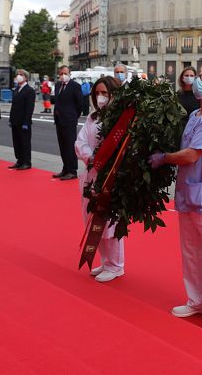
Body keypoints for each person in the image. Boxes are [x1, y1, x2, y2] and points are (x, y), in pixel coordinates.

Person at [148, 64, 202, 332]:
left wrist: (164, 158)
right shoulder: (197, 114)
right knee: (192, 253)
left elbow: (192, 154)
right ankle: (198, 300)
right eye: (199, 76)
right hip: (189, 194)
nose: (198, 80)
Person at [75, 76, 125, 283]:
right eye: (98, 93)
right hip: (92, 173)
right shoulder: (93, 117)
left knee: (110, 221)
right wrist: (90, 156)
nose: (101, 97)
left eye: (105, 93)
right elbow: (80, 141)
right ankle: (106, 261)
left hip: (111, 175)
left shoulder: (121, 118)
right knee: (94, 217)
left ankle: (116, 265)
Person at [53, 66, 83, 181]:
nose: (63, 75)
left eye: (65, 73)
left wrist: (74, 115)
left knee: (70, 146)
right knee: (62, 146)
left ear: (69, 74)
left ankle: (72, 170)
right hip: (59, 119)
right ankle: (65, 168)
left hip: (69, 120)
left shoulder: (75, 86)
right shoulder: (58, 85)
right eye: (61, 73)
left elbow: (80, 103)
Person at [8, 69, 34, 170]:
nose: (18, 76)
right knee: (17, 142)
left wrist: (26, 122)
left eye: (21, 75)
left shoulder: (29, 90)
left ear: (26, 78)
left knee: (25, 142)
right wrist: (11, 119)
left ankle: (26, 162)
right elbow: (13, 106)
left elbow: (29, 108)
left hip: (23, 122)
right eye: (18, 74)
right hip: (15, 120)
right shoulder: (16, 89)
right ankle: (19, 160)